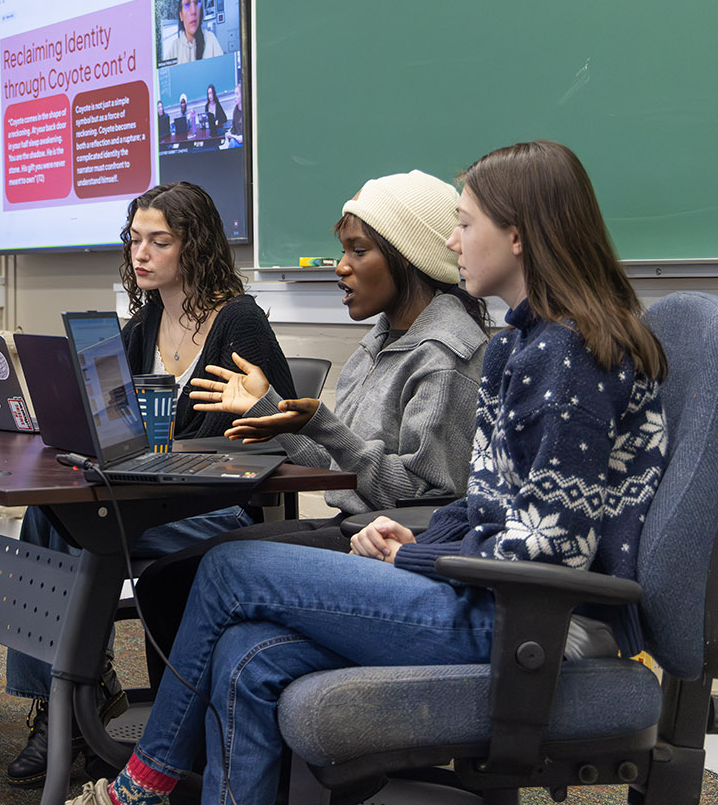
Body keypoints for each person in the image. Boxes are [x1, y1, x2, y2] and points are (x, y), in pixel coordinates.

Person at [65, 139, 670, 805]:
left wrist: (417, 562)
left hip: (527, 620)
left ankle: (141, 785)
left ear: (520, 236)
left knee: (227, 569)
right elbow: (486, 506)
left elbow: (556, 546)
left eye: (466, 223)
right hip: (483, 588)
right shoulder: (520, 346)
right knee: (245, 652)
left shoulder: (567, 355)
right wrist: (424, 541)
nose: (453, 238)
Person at [4, 181, 297, 788]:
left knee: (69, 527)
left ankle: (76, 703)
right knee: (45, 515)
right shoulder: (141, 326)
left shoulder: (239, 321)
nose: (140, 253)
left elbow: (276, 426)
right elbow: (121, 426)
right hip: (144, 494)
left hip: (214, 507)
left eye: (158, 241)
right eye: (134, 240)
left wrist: (176, 452)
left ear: (196, 247)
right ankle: (59, 706)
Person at [132, 171, 490, 663]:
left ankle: (172, 735)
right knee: (166, 577)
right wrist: (270, 411)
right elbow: (339, 464)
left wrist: (318, 422)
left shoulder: (446, 356)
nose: (340, 267)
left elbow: (420, 498)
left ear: (407, 258)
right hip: (354, 522)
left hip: (391, 542)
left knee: (185, 575)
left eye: (358, 251)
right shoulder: (377, 343)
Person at [170, 0, 223, 64]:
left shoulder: (210, 39)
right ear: (181, 15)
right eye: (187, 4)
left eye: (197, 1)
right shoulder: (175, 47)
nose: (193, 11)